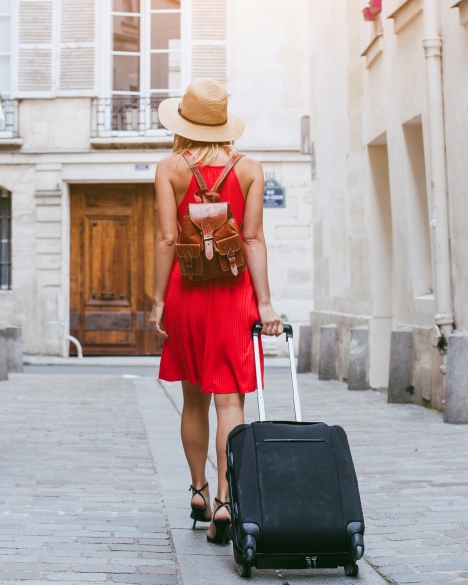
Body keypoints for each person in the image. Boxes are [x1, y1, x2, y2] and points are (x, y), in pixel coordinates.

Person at [150, 78, 284, 545]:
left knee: (193, 401)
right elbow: (252, 239)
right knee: (231, 402)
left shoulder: (169, 168)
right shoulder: (250, 168)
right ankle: (227, 500)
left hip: (186, 294)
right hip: (233, 297)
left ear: (184, 123)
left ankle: (198, 491)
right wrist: (265, 303)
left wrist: (159, 301)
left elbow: (167, 238)